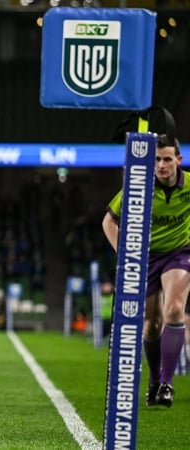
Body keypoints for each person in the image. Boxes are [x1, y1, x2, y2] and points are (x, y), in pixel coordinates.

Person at [102, 133, 190, 408]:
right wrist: (126, 253)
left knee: (174, 309)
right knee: (151, 326)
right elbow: (109, 222)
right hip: (146, 257)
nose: (162, 165)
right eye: (156, 160)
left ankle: (167, 383)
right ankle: (153, 380)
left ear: (178, 159)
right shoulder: (138, 186)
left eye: (167, 159)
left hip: (179, 253)